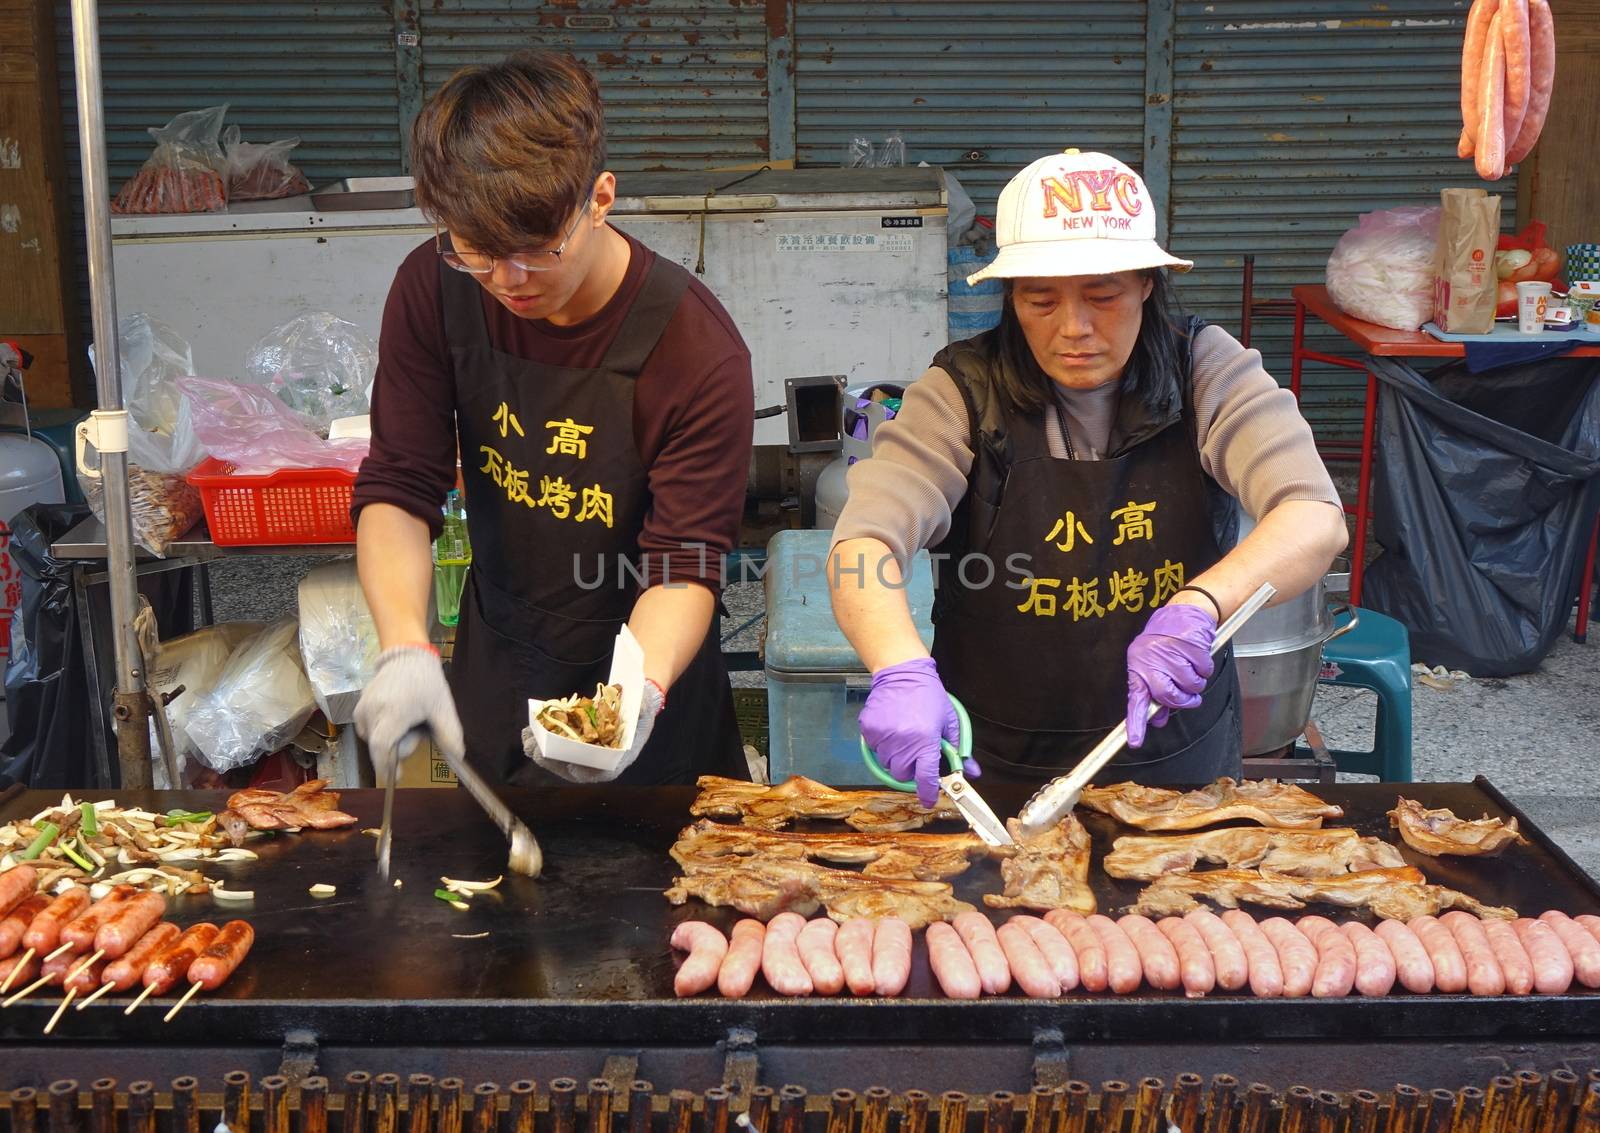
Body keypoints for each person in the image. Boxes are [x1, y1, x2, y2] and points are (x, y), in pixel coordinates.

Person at [829, 149, 1348, 806]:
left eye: (1102, 295)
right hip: (994, 768)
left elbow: (1313, 514)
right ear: (1010, 297)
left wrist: (1200, 604)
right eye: (1040, 299)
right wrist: (898, 665)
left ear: (1147, 283)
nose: (1073, 329)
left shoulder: (1208, 369)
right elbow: (862, 544)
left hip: (1176, 763)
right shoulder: (958, 392)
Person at [351, 50, 752, 786]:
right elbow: (401, 482)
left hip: (650, 665)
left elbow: (684, 560)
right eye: (479, 251)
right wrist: (405, 644)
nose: (508, 281)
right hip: (501, 652)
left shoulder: (693, 346)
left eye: (537, 250)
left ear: (601, 197)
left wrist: (632, 701)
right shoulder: (432, 288)